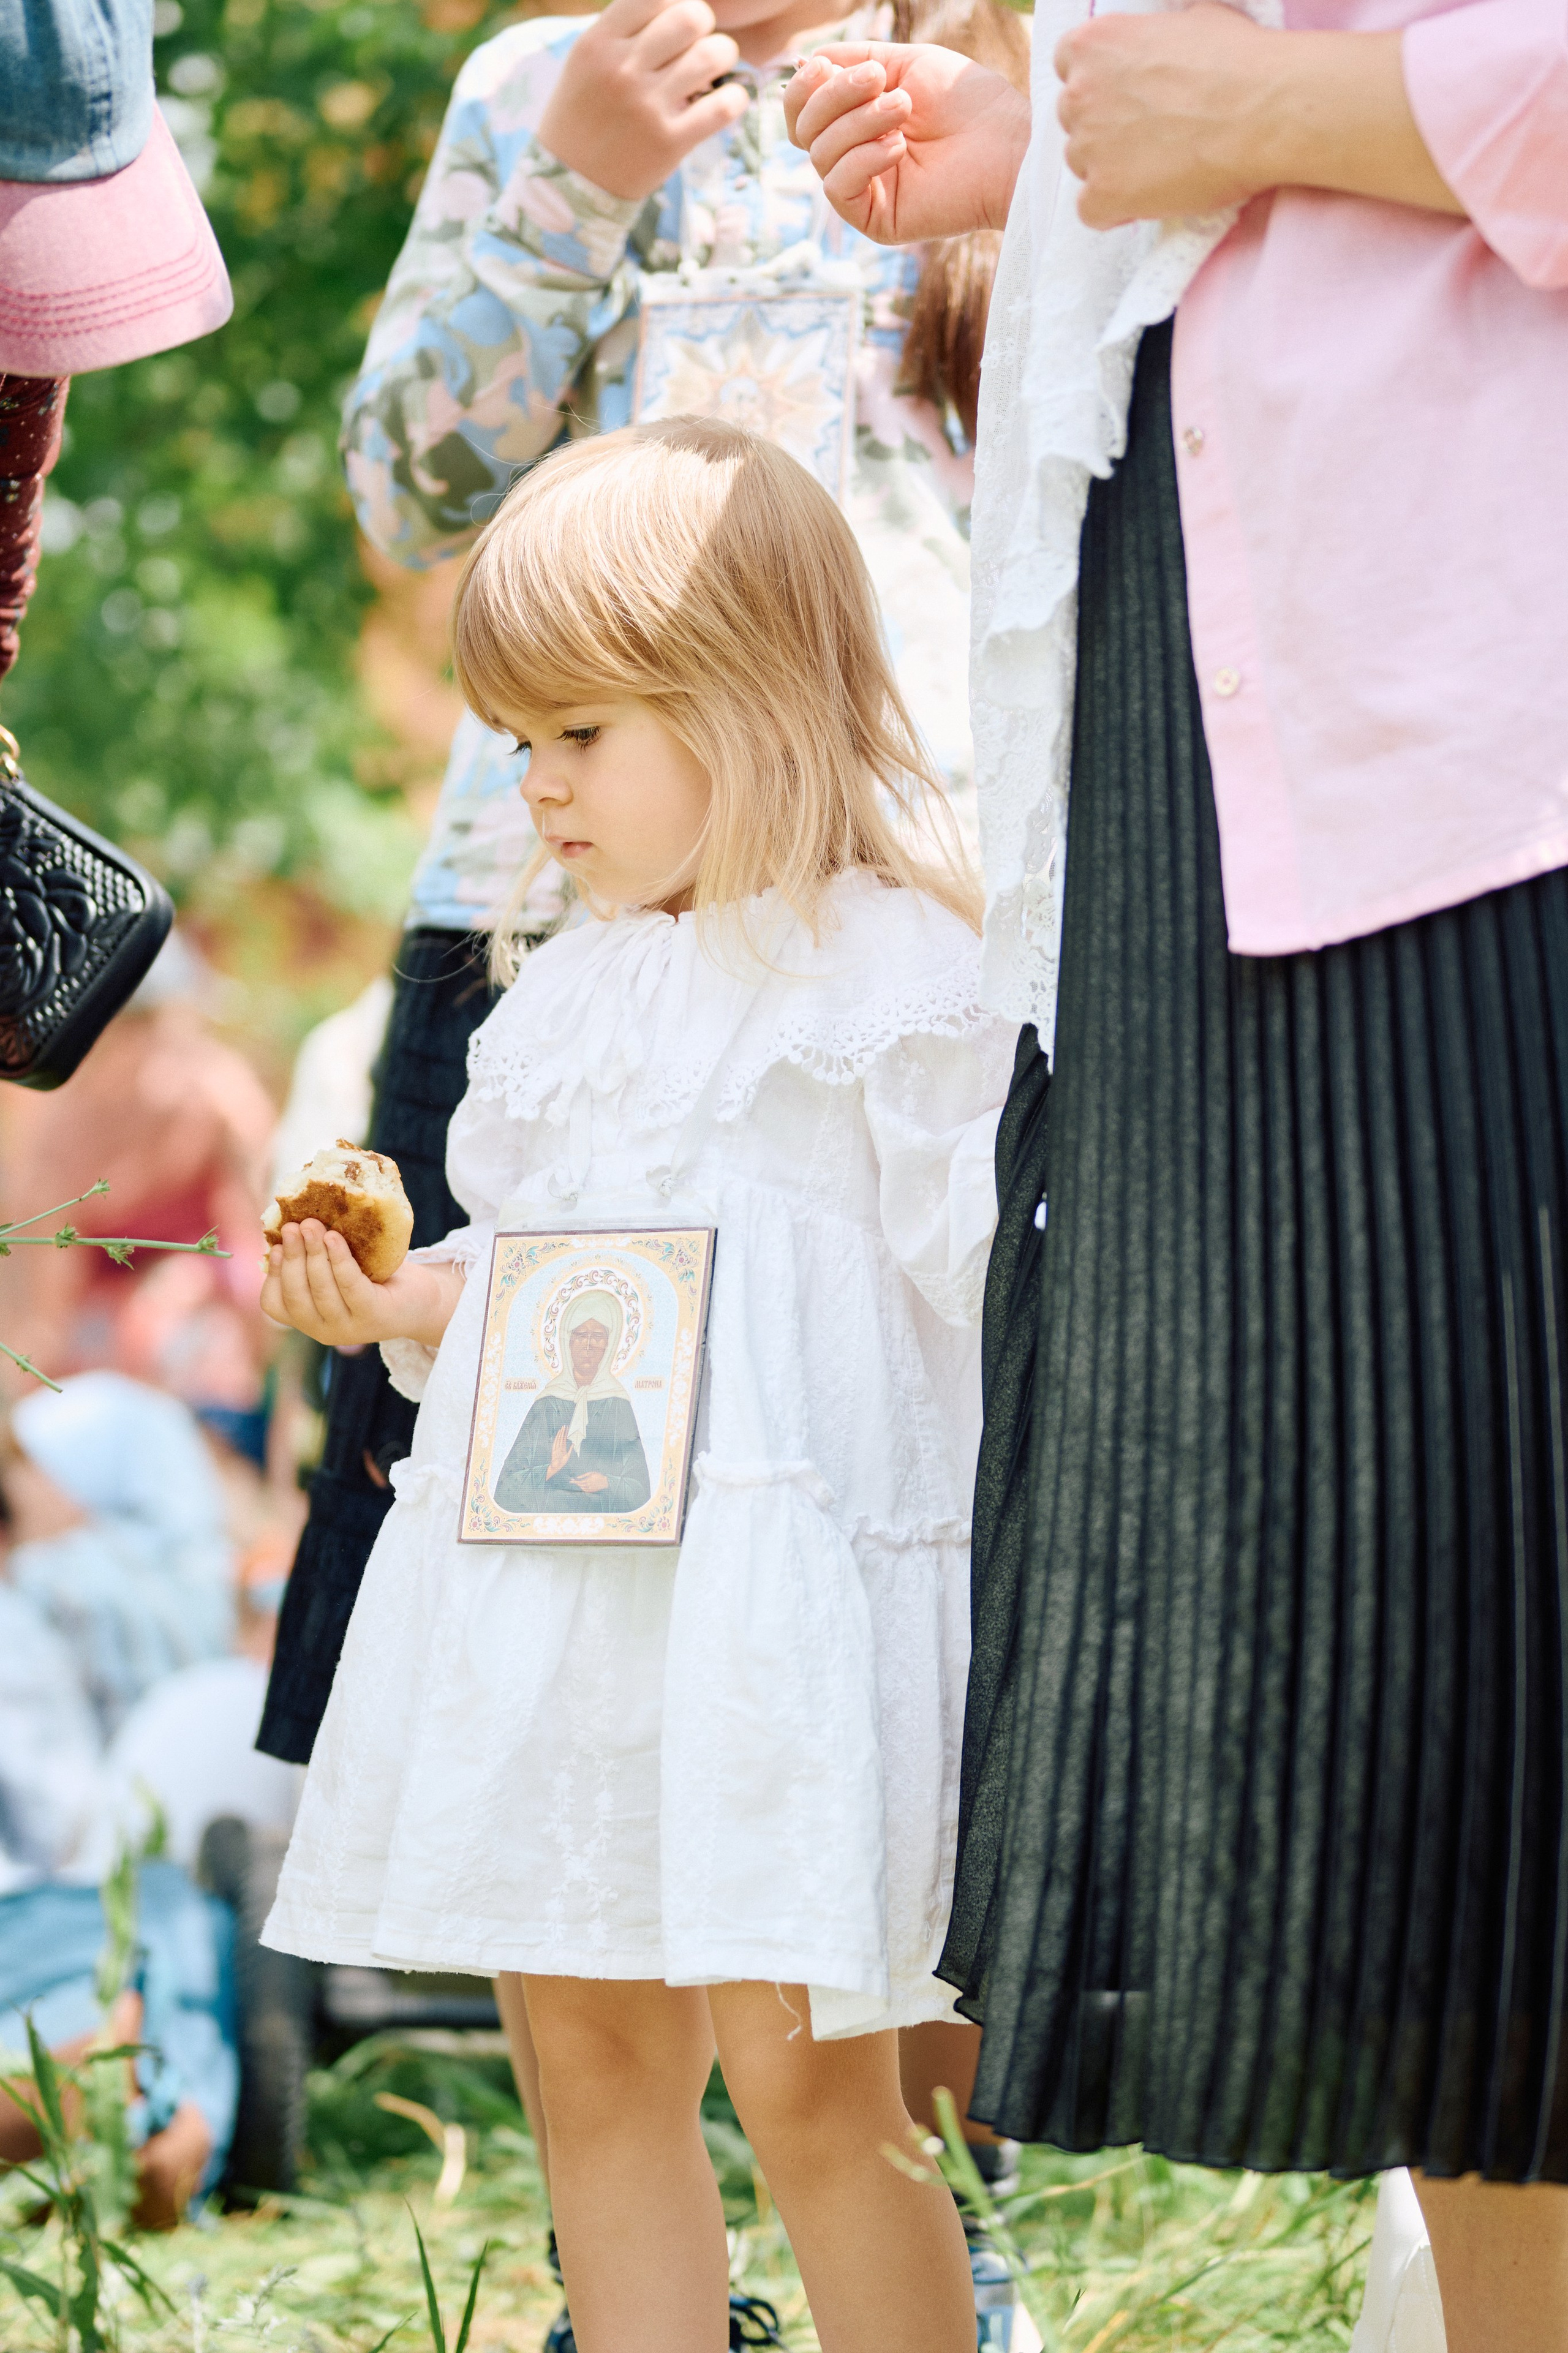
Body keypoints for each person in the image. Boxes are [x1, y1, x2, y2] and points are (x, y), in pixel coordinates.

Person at [787, 6, 1568, 2351]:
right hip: (1237, 740)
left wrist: (1300, 114)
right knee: (1460, 1776)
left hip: (1494, 732)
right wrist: (1045, 157)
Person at [257, 0, 1032, 2333]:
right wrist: (410, 1304)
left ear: (753, 705)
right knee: (580, 2046)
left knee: (824, 2090)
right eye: (518, 744)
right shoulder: (559, 987)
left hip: (785, 1624)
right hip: (572, 1589)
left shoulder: (898, 987)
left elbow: (981, 1304)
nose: (543, 790)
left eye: (577, 738)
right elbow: (567, 1281)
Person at [495, 1291, 654, 1516]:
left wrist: (607, 1482)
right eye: (580, 1335)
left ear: (610, 1344)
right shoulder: (547, 1403)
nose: (588, 1345)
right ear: (567, 1342)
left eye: (598, 1336)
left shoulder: (618, 1402)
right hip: (544, 1528)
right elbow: (506, 1490)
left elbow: (642, 1492)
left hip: (604, 1529)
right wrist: (550, 1470)